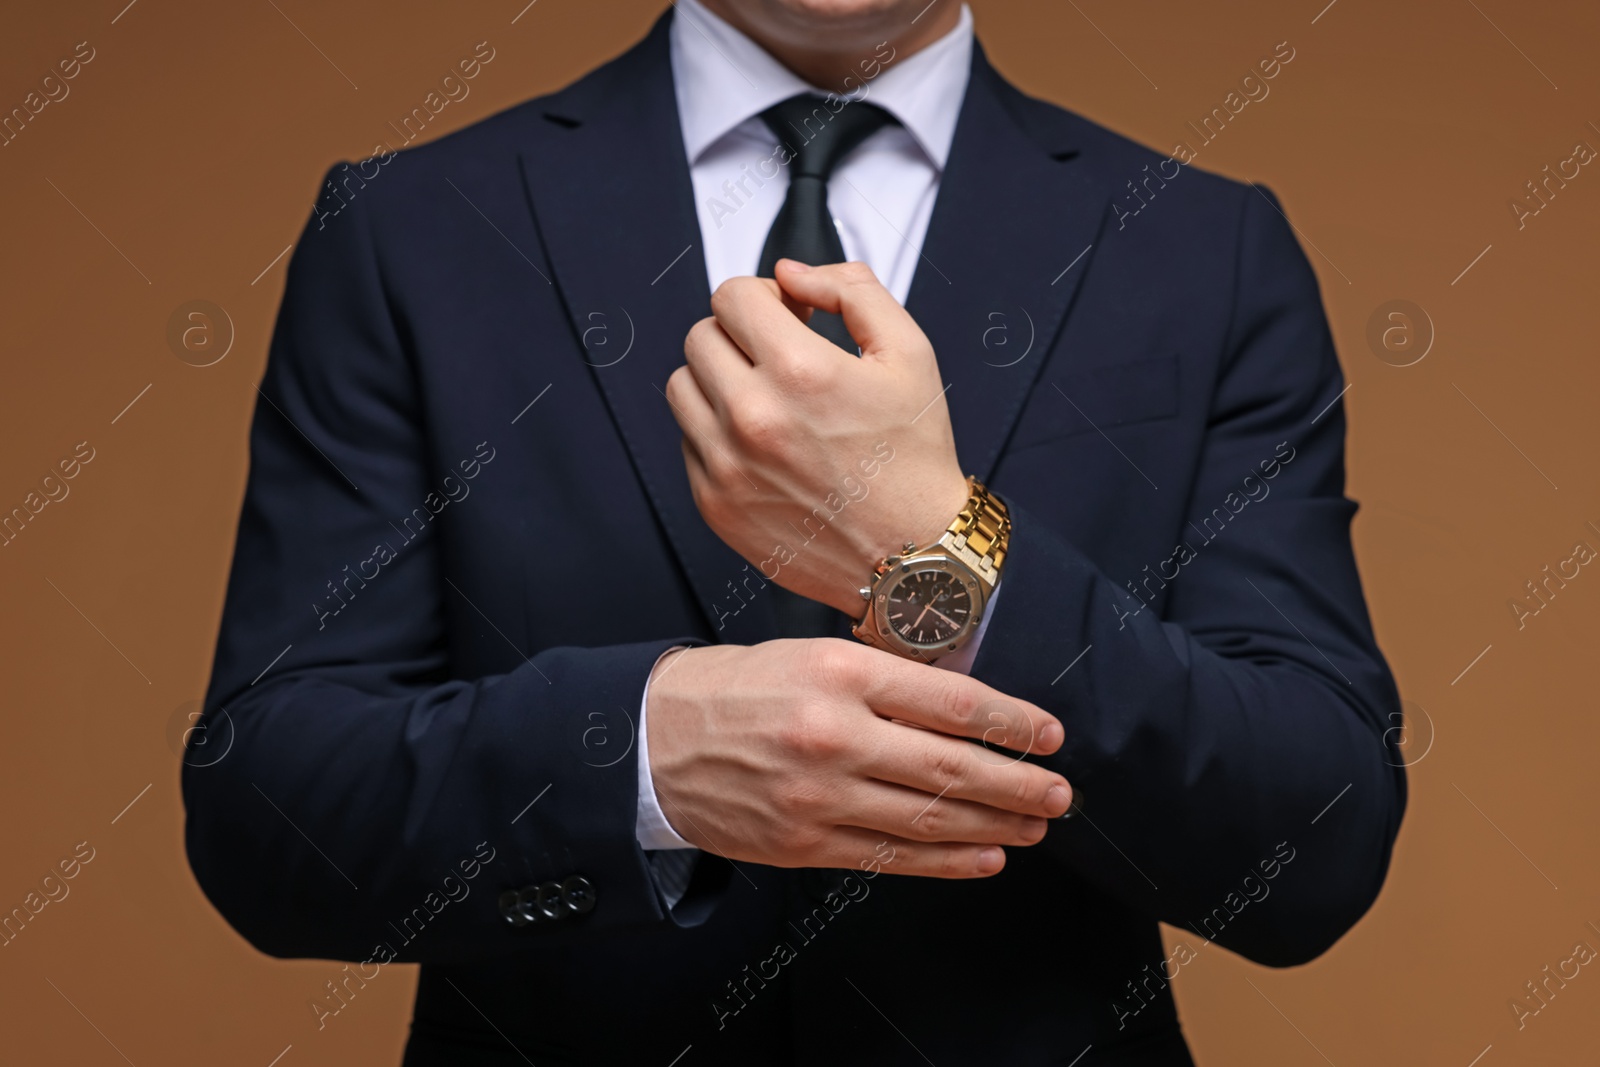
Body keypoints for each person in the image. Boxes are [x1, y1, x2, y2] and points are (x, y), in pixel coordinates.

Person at [183, 1, 1407, 1063]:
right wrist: (647, 758)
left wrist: (939, 542)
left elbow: (1318, 837)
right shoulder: (414, 225)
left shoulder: (1205, 246)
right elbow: (268, 805)